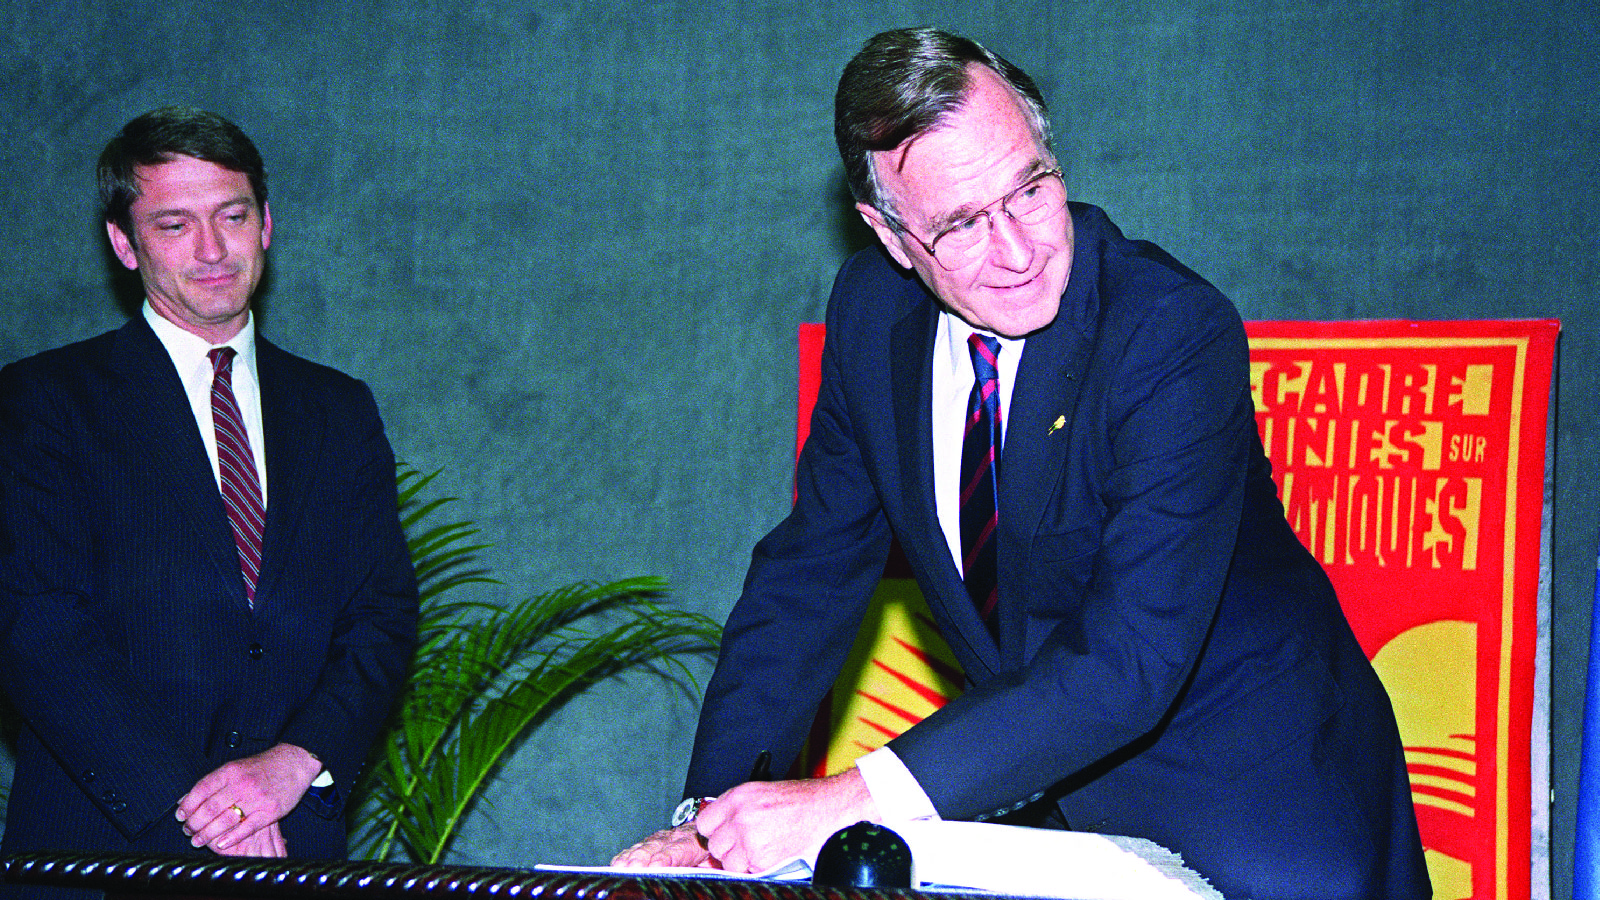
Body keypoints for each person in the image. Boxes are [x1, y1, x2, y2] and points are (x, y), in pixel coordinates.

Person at [614, 28, 1430, 900]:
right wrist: (710, 818)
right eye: (960, 225)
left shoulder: (1170, 334)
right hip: (1044, 813)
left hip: (1256, 805)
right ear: (889, 236)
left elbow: (1127, 660)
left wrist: (853, 798)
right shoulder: (870, 317)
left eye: (1030, 190)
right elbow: (806, 581)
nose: (1018, 250)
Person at [0, 107, 418, 895]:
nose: (212, 249)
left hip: (298, 847)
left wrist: (290, 767)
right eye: (173, 223)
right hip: (104, 852)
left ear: (267, 224)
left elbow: (383, 614)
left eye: (232, 215)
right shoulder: (43, 402)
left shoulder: (339, 409)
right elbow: (36, 626)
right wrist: (212, 809)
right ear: (125, 245)